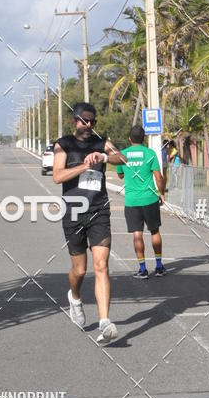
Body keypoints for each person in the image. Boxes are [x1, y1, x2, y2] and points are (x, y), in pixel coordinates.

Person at [53, 102, 125, 344]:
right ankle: (74, 297)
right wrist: (84, 166)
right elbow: (57, 176)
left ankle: (105, 322)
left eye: (93, 121)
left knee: (101, 265)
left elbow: (122, 158)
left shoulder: (101, 141)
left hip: (99, 210)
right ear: (74, 121)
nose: (89, 125)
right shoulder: (63, 144)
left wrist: (103, 156)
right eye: (85, 121)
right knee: (80, 270)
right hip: (74, 212)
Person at [117, 125, 166, 279]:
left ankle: (143, 269)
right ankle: (159, 267)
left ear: (129, 138)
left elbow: (120, 175)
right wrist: (161, 193)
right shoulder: (150, 153)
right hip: (150, 198)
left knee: (137, 234)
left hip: (132, 201)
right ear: (143, 138)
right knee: (155, 231)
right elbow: (159, 177)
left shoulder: (122, 155)